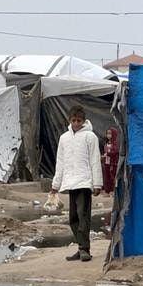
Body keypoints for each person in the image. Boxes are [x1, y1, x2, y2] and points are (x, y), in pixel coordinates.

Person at [50, 106, 102, 262]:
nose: (76, 123)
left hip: (84, 182)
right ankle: (81, 247)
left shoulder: (90, 137)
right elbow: (60, 162)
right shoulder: (64, 138)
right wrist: (55, 185)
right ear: (69, 120)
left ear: (84, 121)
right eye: (74, 120)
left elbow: (95, 160)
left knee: (83, 216)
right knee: (73, 217)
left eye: (79, 121)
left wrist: (97, 183)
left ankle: (84, 249)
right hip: (70, 182)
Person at [102, 127, 120, 194]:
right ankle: (107, 190)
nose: (108, 135)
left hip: (113, 163)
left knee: (112, 176)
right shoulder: (106, 143)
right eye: (107, 133)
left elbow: (115, 151)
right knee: (107, 176)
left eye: (110, 133)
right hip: (107, 162)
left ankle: (113, 190)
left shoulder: (115, 143)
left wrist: (108, 154)